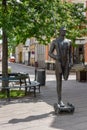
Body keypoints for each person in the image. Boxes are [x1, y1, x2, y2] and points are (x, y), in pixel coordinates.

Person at [48, 27, 72, 107]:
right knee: (59, 82)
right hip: (58, 63)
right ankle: (59, 100)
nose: (64, 32)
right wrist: (55, 57)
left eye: (65, 30)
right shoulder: (55, 41)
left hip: (66, 63)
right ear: (60, 31)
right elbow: (50, 53)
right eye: (63, 30)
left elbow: (70, 54)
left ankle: (60, 100)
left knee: (65, 78)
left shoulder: (69, 41)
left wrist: (71, 62)